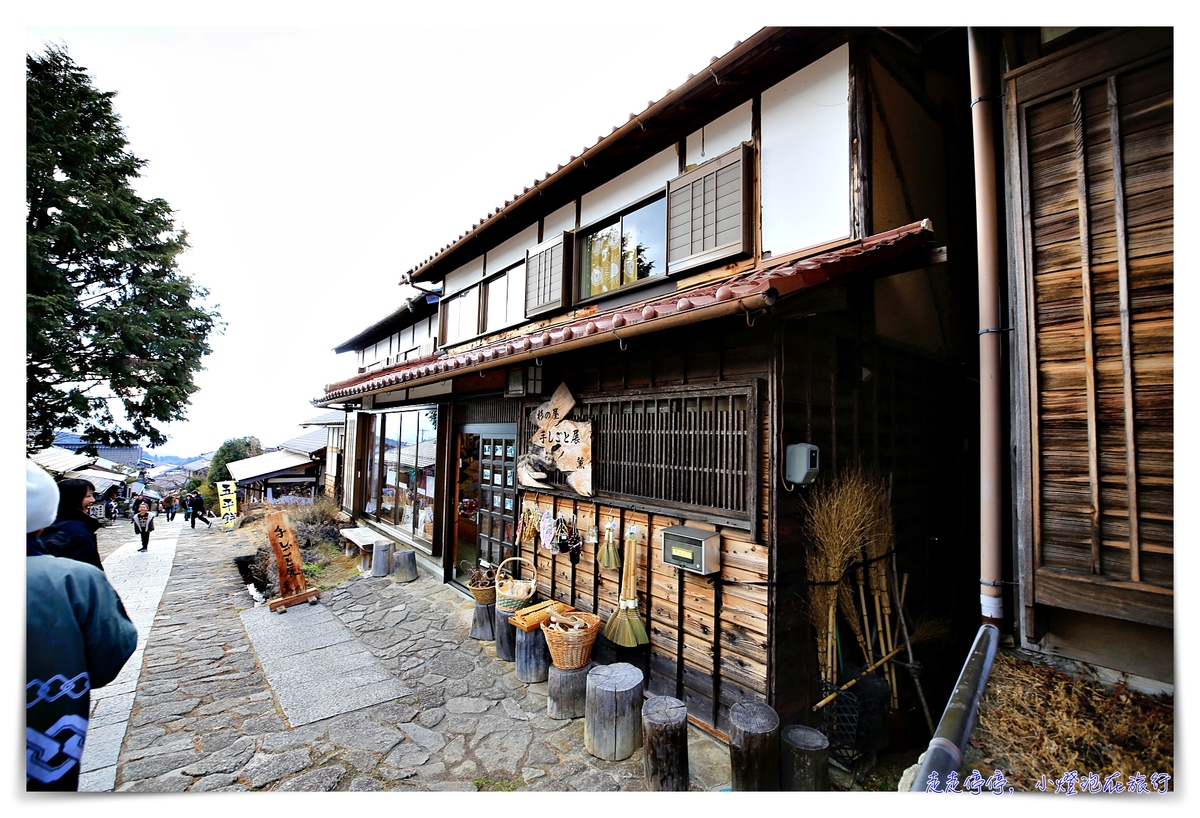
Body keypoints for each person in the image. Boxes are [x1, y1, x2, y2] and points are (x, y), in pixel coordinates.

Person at [26, 461, 138, 791]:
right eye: (89, 494)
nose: (92, 499)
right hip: (47, 748)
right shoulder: (74, 579)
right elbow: (110, 654)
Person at [40, 478, 104, 572]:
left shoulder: (45, 523)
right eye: (88, 496)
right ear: (73, 499)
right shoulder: (78, 530)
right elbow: (87, 569)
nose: (93, 500)